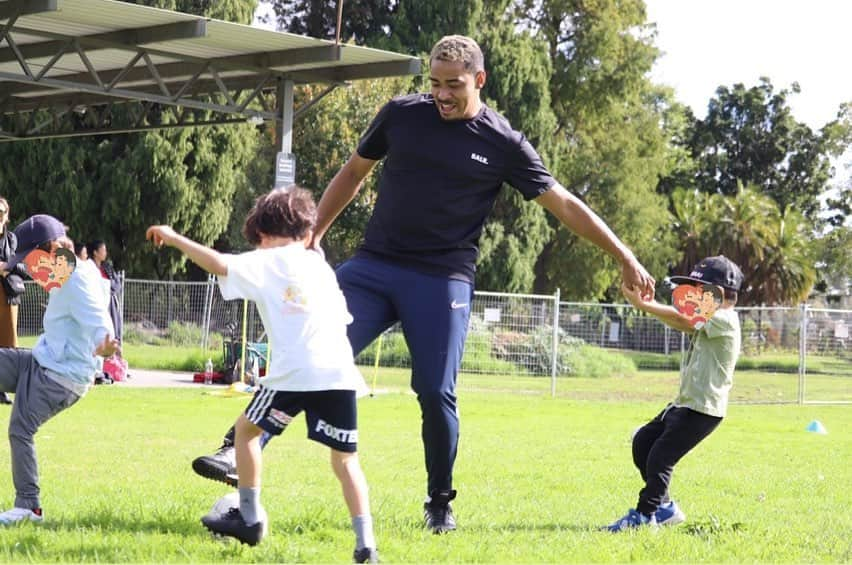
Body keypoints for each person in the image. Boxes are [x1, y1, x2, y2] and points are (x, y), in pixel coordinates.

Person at [193, 34, 656, 534]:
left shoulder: (503, 143)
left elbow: (564, 204)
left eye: (453, 84)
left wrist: (624, 255)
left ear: (479, 80)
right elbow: (353, 173)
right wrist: (313, 235)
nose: (442, 94)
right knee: (311, 354)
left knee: (435, 391)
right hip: (373, 268)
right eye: (434, 83)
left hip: (442, 280)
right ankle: (238, 450)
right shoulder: (400, 115)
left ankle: (439, 501)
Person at [146, 187, 378, 562]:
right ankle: (366, 544)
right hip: (339, 372)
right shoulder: (319, 265)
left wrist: (174, 238)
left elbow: (219, 263)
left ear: (264, 234)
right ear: (305, 231)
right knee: (346, 461)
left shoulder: (267, 259)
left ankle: (250, 520)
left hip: (293, 375)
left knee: (246, 432)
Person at [605, 255, 743, 532]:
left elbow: (685, 318)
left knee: (660, 457)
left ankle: (645, 516)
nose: (690, 294)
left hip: (703, 409)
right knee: (643, 442)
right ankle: (665, 508)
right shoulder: (709, 319)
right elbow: (683, 322)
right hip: (685, 404)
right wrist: (645, 306)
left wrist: (644, 304)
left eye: (697, 288)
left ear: (718, 293)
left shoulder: (726, 319)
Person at [0, 214, 119, 525]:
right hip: (44, 360)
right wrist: (10, 266)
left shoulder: (77, 279)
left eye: (31, 259)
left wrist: (104, 343)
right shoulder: (65, 267)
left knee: (20, 429)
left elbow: (97, 317)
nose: (32, 268)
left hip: (61, 377)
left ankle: (30, 507)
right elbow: (34, 270)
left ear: (52, 249)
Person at [0, 197, 27, 406]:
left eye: (2, 211)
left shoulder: (12, 240)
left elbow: (22, 267)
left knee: (9, 343)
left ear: (7, 215)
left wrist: (6, 266)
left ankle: (4, 388)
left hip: (8, 295)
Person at [87, 240, 122, 344]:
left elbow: (116, 284)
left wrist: (108, 288)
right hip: (96, 302)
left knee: (112, 326)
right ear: (95, 252)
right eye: (103, 250)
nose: (105, 253)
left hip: (110, 303)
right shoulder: (88, 268)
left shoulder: (107, 267)